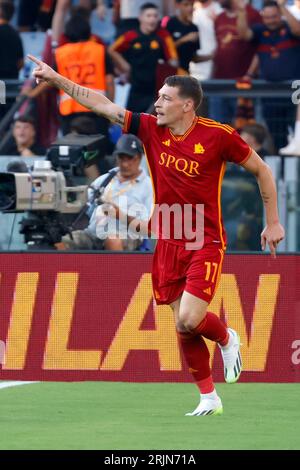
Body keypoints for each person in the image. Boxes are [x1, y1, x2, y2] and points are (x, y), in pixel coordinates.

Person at [28, 54, 285, 416]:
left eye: (166, 97)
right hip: (167, 241)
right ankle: (208, 397)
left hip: (203, 240)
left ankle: (228, 338)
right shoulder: (150, 128)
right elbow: (102, 103)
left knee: (191, 319)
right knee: (182, 327)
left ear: (187, 105)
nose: (158, 103)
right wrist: (57, 79)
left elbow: (262, 171)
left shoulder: (218, 136)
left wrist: (272, 221)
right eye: (158, 96)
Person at [59, 134, 153, 251]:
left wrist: (121, 215)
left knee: (113, 240)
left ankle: (114, 269)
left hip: (127, 235)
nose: (125, 164)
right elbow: (82, 202)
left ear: (140, 158)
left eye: (130, 158)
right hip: (93, 233)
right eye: (121, 158)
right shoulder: (106, 179)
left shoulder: (149, 186)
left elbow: (150, 229)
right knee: (61, 242)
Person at [108, 2, 178, 113]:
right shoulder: (131, 35)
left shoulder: (163, 35)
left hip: (155, 89)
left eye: (155, 16)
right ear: (140, 18)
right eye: (149, 16)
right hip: (134, 87)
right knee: (132, 122)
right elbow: (112, 50)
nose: (152, 20)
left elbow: (173, 60)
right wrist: (123, 65)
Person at [163, 0, 200, 73]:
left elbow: (194, 57)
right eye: (186, 5)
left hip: (185, 72)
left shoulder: (194, 28)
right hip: (169, 72)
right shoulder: (170, 23)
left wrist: (211, 57)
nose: (190, 8)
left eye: (192, 5)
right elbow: (164, 49)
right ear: (178, 5)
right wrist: (183, 39)